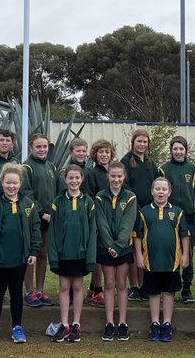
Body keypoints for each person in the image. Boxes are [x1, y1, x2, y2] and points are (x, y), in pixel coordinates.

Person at [0, 164, 41, 345]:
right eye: (8, 183)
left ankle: (17, 327)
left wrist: (34, 251)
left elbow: (35, 228)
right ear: (2, 183)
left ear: (20, 184)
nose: (11, 186)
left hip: (20, 258)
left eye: (15, 183)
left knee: (16, 293)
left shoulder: (28, 205)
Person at [134, 176, 187, 343]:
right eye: (157, 189)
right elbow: (137, 236)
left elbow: (184, 235)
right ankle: (155, 323)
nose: (161, 192)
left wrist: (185, 255)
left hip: (172, 262)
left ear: (169, 192)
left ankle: (167, 324)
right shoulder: (144, 212)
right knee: (154, 293)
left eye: (164, 189)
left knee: (169, 293)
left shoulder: (177, 212)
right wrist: (139, 255)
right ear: (152, 191)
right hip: (151, 262)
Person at [47, 164, 97, 343]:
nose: (74, 181)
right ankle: (64, 324)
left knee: (77, 287)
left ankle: (76, 324)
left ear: (82, 179)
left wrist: (90, 257)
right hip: (63, 254)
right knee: (64, 287)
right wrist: (54, 256)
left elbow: (92, 231)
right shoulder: (58, 201)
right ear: (65, 179)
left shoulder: (88, 202)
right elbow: (52, 230)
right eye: (71, 178)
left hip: (81, 254)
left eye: (77, 178)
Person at [95, 160, 137, 341]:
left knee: (121, 284)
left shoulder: (130, 197)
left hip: (123, 248)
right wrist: (109, 245)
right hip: (106, 248)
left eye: (119, 176)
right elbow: (101, 222)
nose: (116, 179)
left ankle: (122, 323)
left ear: (124, 177)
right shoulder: (99, 197)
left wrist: (119, 245)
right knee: (109, 283)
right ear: (108, 177)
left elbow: (128, 223)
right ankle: (109, 323)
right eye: (113, 176)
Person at [122, 129, 161, 302]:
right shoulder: (126, 161)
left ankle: (145, 284)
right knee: (133, 250)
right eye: (139, 141)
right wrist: (134, 205)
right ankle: (134, 286)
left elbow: (156, 184)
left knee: (145, 248)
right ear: (133, 143)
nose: (142, 145)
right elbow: (124, 185)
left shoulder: (150, 163)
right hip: (133, 211)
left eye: (145, 142)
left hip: (148, 212)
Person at [161, 135, 195, 304]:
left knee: (187, 253)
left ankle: (187, 287)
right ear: (171, 151)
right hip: (170, 216)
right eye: (175, 149)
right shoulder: (164, 169)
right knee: (169, 251)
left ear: (185, 150)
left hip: (189, 218)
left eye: (181, 149)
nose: (178, 152)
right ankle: (169, 286)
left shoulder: (193, 169)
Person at [21, 133, 57, 308]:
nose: (42, 150)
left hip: (49, 218)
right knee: (32, 253)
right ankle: (29, 291)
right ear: (31, 148)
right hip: (32, 217)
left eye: (45, 146)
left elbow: (56, 191)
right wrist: (41, 212)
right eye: (38, 146)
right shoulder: (26, 167)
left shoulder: (51, 166)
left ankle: (40, 290)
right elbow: (26, 193)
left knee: (43, 253)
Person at [84, 138, 114, 306]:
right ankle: (97, 289)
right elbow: (90, 197)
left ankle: (92, 288)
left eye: (107, 152)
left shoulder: (114, 172)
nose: (104, 155)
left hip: (113, 219)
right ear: (95, 155)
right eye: (101, 152)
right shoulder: (92, 174)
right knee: (97, 256)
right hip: (98, 219)